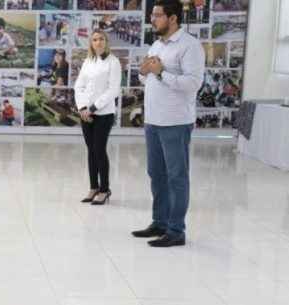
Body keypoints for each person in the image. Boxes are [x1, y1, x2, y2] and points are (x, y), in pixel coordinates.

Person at [132, 0, 205, 247]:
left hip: (175, 121)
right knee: (157, 175)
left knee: (176, 177)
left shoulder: (190, 46)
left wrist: (162, 72)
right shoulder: (157, 44)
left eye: (157, 15)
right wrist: (144, 72)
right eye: (152, 15)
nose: (152, 19)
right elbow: (150, 80)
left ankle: (176, 231)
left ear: (173, 18)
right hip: (153, 120)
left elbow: (193, 83)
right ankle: (160, 222)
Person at [74, 29, 120, 206]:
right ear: (91, 43)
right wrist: (83, 108)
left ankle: (104, 189)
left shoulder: (113, 62)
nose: (98, 42)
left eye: (101, 39)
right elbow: (79, 86)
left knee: (99, 149)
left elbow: (113, 90)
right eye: (94, 39)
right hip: (85, 113)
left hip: (103, 113)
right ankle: (93, 187)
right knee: (91, 150)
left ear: (106, 41)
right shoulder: (88, 61)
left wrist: (93, 107)